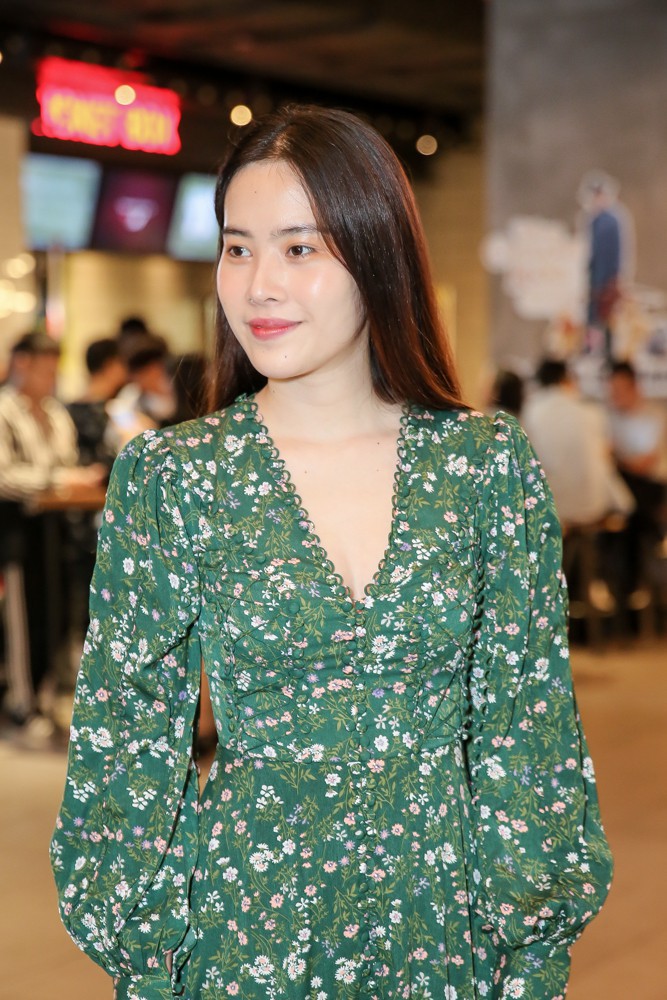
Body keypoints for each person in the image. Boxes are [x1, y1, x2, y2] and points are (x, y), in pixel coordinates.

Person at [51, 106, 612, 1000]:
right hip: (244, 929)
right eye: (237, 249)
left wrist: (532, 938)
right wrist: (147, 952)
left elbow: (526, 723)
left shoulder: (483, 466)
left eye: (299, 248)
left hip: (444, 923)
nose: (258, 286)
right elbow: (126, 739)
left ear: (375, 253)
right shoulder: (176, 476)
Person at [0, 332, 104, 740]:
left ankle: (47, 697)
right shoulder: (5, 409)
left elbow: (68, 464)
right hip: (16, 530)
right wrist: (59, 480)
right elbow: (5, 476)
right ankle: (22, 704)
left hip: (57, 528)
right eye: (44, 370)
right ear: (21, 364)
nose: (50, 378)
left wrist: (67, 479)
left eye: (53, 370)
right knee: (22, 619)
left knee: (58, 614)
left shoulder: (55, 411)